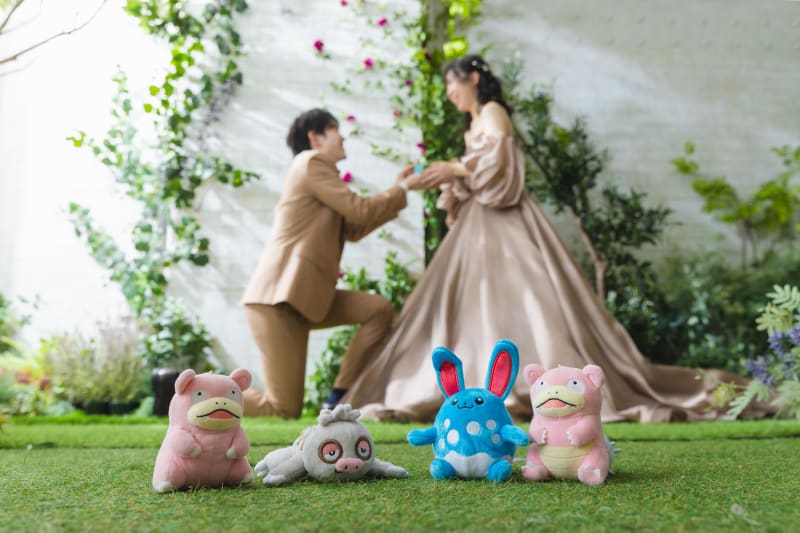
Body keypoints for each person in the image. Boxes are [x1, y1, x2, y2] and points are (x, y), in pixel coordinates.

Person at [342, 54, 766, 423]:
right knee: (476, 306)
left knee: (526, 302)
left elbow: (500, 170)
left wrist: (455, 169)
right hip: (478, 226)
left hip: (506, 222)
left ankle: (524, 383)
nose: (450, 94)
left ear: (472, 78)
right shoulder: (475, 121)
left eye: (453, 84)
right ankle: (483, 383)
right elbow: (478, 171)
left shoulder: (493, 111)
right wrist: (447, 174)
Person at [241, 108, 423, 418]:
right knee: (282, 408)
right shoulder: (311, 163)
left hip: (305, 297)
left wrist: (398, 190)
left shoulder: (321, 174)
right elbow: (359, 210)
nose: (343, 138)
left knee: (377, 310)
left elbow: (354, 228)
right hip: (277, 299)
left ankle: (338, 396)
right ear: (316, 137)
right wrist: (402, 189)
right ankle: (200, 394)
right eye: (336, 130)